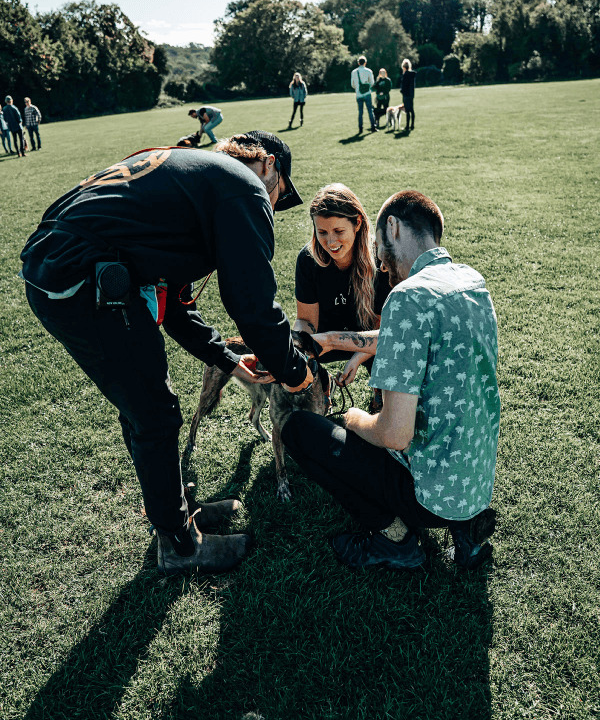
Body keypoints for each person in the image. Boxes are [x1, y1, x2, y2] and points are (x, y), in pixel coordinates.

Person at [20, 130, 314, 576]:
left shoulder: (192, 173)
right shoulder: (243, 186)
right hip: (84, 274)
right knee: (154, 412)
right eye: (281, 194)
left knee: (141, 404)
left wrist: (228, 358)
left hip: (61, 260)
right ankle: (179, 545)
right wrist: (297, 374)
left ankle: (175, 513)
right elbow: (252, 306)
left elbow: (174, 303)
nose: (274, 205)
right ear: (270, 164)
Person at [283, 190, 500, 571]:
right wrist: (332, 341)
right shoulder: (472, 282)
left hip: (425, 496)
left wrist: (351, 417)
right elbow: (403, 336)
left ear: (393, 228)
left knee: (300, 429)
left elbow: (394, 434)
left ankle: (397, 539)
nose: (382, 265)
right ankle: (464, 527)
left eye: (381, 248)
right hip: (474, 485)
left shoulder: (406, 296)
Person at [294, 183, 391, 409]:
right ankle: (321, 385)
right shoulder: (308, 260)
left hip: (368, 340)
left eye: (339, 231)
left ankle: (380, 388)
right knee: (296, 361)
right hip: (325, 341)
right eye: (322, 232)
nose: (331, 242)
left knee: (392, 351)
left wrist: (356, 360)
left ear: (357, 223)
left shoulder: (380, 259)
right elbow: (306, 321)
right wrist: (301, 349)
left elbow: (383, 329)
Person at [350, 56, 377, 134]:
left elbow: (352, 84)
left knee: (360, 112)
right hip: (367, 93)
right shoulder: (369, 71)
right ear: (365, 62)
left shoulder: (354, 72)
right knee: (370, 111)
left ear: (358, 63)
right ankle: (373, 127)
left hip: (358, 94)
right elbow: (372, 83)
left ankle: (360, 128)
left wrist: (358, 88)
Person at [400, 59, 416, 131]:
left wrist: (402, 91)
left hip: (406, 94)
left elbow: (403, 86)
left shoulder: (405, 75)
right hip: (411, 94)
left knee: (407, 110)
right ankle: (412, 125)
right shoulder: (412, 75)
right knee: (411, 109)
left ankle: (407, 125)